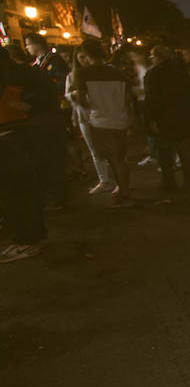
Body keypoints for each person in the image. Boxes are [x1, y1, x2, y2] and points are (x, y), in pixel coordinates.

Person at [0, 47, 55, 262]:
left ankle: (27, 240)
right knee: (19, 190)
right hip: (14, 134)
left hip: (11, 136)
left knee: (16, 191)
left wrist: (29, 106)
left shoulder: (15, 73)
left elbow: (46, 93)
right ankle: (30, 237)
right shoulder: (16, 71)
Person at [71, 40, 134, 208]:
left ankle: (124, 192)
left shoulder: (83, 74)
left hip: (100, 120)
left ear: (86, 55)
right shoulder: (118, 74)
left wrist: (81, 102)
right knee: (120, 158)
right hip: (119, 119)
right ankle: (124, 189)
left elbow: (82, 99)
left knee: (113, 159)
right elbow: (128, 99)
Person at [24, 32, 69, 208]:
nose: (27, 48)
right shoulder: (37, 63)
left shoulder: (54, 61)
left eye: (28, 44)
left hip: (54, 109)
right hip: (47, 109)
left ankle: (60, 194)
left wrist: (54, 97)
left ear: (37, 44)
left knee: (54, 153)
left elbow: (61, 82)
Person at [145, 46, 190, 191]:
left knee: (166, 156)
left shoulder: (154, 74)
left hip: (165, 119)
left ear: (157, 57)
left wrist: (151, 119)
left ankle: (169, 183)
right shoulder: (181, 72)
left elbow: (153, 99)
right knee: (186, 156)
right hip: (184, 118)